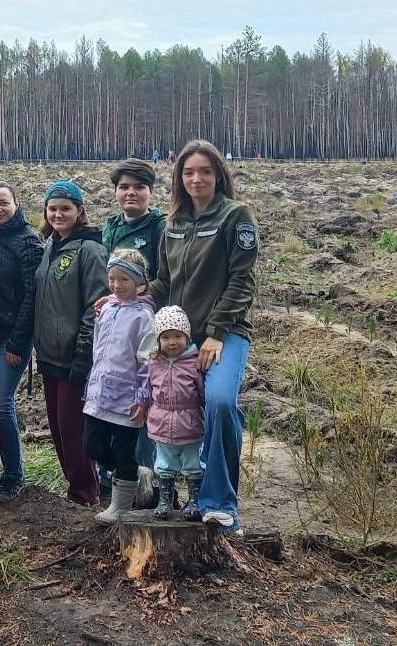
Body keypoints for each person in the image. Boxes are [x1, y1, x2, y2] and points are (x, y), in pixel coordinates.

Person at [148, 139, 258, 535]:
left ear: (219, 175)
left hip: (223, 335)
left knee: (221, 401)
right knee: (160, 404)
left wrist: (215, 333)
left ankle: (221, 504)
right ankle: (163, 490)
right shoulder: (172, 222)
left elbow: (242, 281)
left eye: (205, 171)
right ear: (179, 177)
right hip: (177, 339)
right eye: (189, 172)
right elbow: (164, 280)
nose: (196, 179)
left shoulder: (235, 217)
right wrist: (130, 297)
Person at [31, 179, 109, 506]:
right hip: (49, 355)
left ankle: (85, 493)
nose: (58, 214)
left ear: (80, 211)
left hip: (74, 357)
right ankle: (75, 489)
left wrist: (83, 353)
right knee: (59, 431)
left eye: (65, 208)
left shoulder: (89, 250)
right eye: (53, 209)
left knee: (74, 430)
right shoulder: (51, 247)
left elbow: (96, 305)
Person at [99, 158, 166, 492]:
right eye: (124, 187)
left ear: (151, 192)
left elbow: (165, 276)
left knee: (144, 400)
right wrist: (112, 300)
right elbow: (110, 276)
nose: (130, 193)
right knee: (116, 397)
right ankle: (117, 476)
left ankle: (148, 481)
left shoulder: (160, 227)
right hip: (117, 326)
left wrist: (139, 297)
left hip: (147, 324)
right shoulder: (110, 227)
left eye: (139, 187)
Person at [82, 249, 154, 523]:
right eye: (112, 278)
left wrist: (143, 395)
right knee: (92, 445)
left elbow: (148, 359)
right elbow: (97, 349)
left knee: (123, 451)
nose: (116, 285)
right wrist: (92, 383)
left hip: (128, 398)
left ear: (139, 282)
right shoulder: (106, 309)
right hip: (100, 394)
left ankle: (121, 506)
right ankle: (136, 475)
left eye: (124, 279)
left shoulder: (143, 317)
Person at [0, 181, 43, 500]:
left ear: (16, 204)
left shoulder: (28, 242)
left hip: (14, 335)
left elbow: (32, 296)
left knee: (1, 405)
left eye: (3, 203)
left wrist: (19, 343)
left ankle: (14, 474)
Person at [144, 306, 205, 521]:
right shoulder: (154, 363)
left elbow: (203, 393)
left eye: (178, 336)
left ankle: (195, 500)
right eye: (166, 337)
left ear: (187, 336)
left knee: (193, 465)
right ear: (158, 339)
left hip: (190, 425)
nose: (172, 342)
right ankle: (165, 500)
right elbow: (147, 390)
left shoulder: (195, 362)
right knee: (164, 465)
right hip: (161, 424)